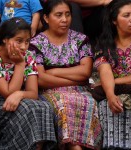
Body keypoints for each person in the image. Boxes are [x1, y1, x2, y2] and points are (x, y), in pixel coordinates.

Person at [29, 0, 102, 150]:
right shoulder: (36, 43)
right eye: (59, 15)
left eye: (68, 14)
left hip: (81, 92)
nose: (64, 19)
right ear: (46, 18)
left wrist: (53, 71)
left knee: (90, 102)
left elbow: (85, 72)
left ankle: (79, 146)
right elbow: (40, 79)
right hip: (50, 92)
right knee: (64, 102)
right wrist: (75, 79)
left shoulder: (80, 39)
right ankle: (74, 147)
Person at [0, 17, 56, 150]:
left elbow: (33, 93)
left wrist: (20, 94)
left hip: (16, 100)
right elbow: (7, 93)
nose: (24, 46)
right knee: (27, 108)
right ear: (5, 39)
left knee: (44, 107)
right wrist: (19, 64)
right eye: (18, 41)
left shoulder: (28, 56)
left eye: (27, 41)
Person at [93, 0, 131, 149]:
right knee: (107, 103)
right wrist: (110, 95)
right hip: (118, 92)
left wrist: (115, 82)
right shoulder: (105, 45)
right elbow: (104, 70)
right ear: (114, 21)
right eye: (126, 15)